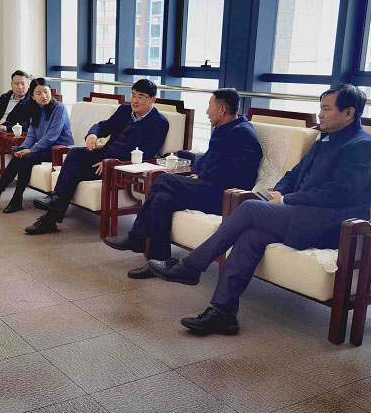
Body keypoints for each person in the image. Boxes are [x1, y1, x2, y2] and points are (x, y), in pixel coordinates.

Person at [150, 84, 371, 336]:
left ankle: (191, 266)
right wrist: (277, 193)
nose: (320, 114)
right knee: (251, 236)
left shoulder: (362, 145)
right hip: (303, 214)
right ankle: (223, 312)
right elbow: (294, 174)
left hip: (331, 223)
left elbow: (340, 192)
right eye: (320, 108)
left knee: (250, 208)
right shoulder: (324, 139)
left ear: (349, 113)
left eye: (326, 109)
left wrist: (287, 199)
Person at [103, 88, 262, 278]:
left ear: (222, 110)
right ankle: (157, 261)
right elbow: (207, 158)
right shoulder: (226, 129)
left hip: (225, 197)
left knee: (163, 179)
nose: (207, 111)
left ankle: (137, 237)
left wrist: (201, 176)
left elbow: (232, 173)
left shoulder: (243, 134)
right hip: (208, 187)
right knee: (162, 199)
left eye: (209, 106)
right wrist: (196, 173)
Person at [24, 78, 169, 235]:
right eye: (133, 95)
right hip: (103, 156)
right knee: (75, 153)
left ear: (152, 100)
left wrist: (112, 162)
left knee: (74, 171)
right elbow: (103, 126)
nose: (134, 100)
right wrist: (93, 134)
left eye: (140, 97)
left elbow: (145, 153)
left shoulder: (159, 123)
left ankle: (51, 214)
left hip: (121, 167)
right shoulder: (124, 110)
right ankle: (56, 202)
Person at [0, 78, 73, 213]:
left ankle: (13, 198)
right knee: (19, 156)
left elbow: (51, 136)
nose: (44, 96)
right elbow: (32, 135)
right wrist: (22, 149)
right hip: (43, 148)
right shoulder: (35, 109)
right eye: (39, 93)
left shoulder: (59, 108)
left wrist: (30, 150)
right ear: (32, 96)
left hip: (59, 149)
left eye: (46, 91)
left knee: (26, 158)